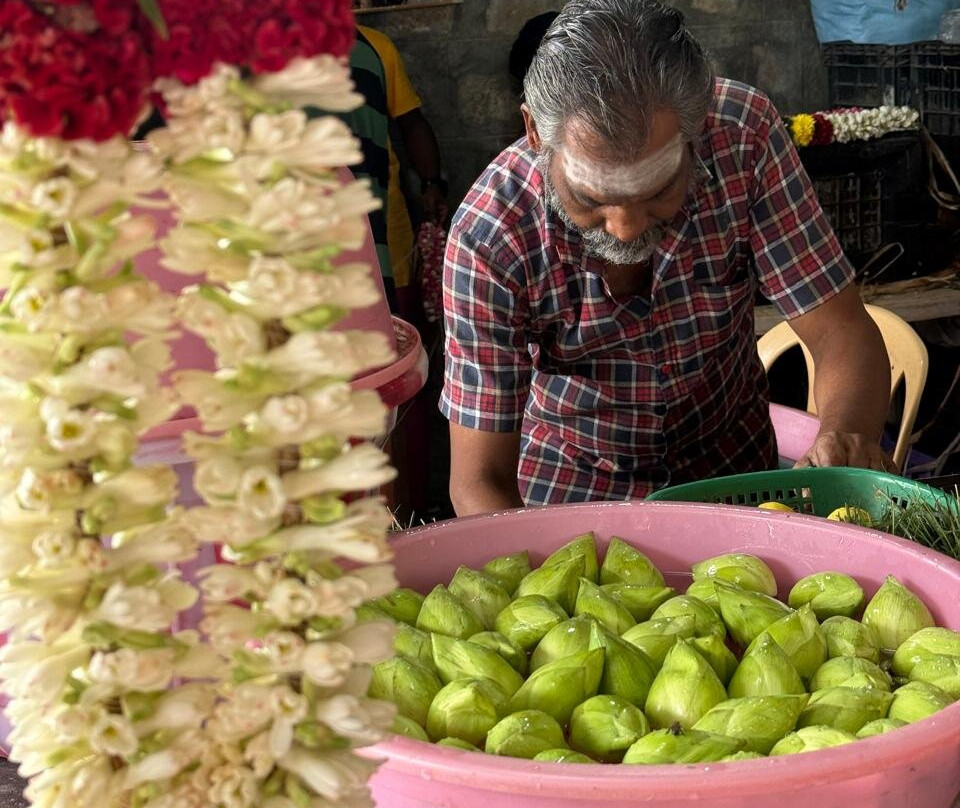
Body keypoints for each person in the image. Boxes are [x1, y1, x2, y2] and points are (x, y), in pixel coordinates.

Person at [440, 0, 892, 516]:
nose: (626, 228)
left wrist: (843, 440)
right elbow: (479, 481)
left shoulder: (744, 138)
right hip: (572, 493)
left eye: (658, 191)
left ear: (697, 134)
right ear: (536, 134)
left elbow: (840, 334)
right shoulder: (490, 235)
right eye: (590, 198)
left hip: (737, 476)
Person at [332, 25, 448, 313]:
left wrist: (432, 183)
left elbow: (411, 122)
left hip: (383, 213)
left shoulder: (374, 49)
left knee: (398, 317)